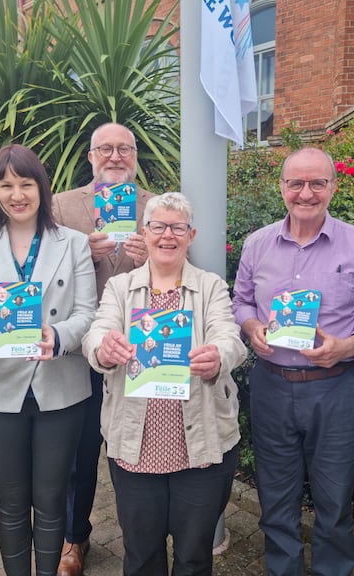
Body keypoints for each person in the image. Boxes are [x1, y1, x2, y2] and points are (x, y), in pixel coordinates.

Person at [232, 147, 354, 576]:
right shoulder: (257, 243)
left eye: (317, 183)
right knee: (275, 496)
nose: (306, 193)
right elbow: (241, 301)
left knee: (334, 498)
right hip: (271, 384)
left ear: (333, 187)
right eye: (296, 183)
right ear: (282, 187)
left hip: (336, 386)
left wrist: (350, 346)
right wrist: (250, 329)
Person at [0, 144, 97, 576]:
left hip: (60, 386)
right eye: (5, 185)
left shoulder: (73, 244)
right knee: (11, 499)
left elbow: (89, 313)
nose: (17, 194)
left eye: (26, 184)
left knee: (50, 499)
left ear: (41, 189)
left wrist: (60, 335)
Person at [83, 192, 247, 576]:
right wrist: (104, 349)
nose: (167, 235)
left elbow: (231, 337)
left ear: (191, 235)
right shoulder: (120, 288)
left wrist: (218, 357)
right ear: (145, 232)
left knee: (193, 557)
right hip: (135, 449)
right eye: (159, 227)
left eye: (177, 227)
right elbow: (96, 333)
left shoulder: (210, 287)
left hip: (201, 447)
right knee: (141, 557)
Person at [51, 122, 155, 576]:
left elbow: (183, 268)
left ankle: (146, 540)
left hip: (143, 350)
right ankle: (75, 538)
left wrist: (150, 258)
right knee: (80, 451)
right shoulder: (61, 205)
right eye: (105, 149)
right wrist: (81, 257)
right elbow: (42, 278)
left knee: (141, 448)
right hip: (81, 349)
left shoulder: (157, 206)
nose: (115, 156)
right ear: (90, 156)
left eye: (124, 149)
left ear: (135, 155)